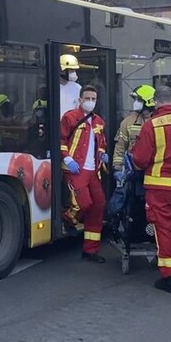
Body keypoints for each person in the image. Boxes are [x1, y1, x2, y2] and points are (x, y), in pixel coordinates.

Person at [131, 86, 171, 293]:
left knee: (163, 231)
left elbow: (140, 160)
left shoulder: (151, 125)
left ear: (157, 102)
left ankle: (169, 279)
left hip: (159, 188)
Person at [60, 85, 108, 262]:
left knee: (98, 205)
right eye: (87, 98)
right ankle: (68, 219)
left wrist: (102, 153)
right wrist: (67, 159)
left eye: (93, 99)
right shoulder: (69, 117)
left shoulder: (99, 122)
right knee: (84, 204)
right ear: (80, 100)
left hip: (93, 170)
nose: (90, 102)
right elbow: (61, 139)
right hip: (76, 168)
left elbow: (101, 142)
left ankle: (90, 250)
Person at [112, 84, 155, 180]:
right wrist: (117, 168)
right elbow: (120, 146)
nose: (135, 103)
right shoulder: (128, 122)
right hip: (132, 171)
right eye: (135, 100)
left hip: (153, 171)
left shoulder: (158, 121)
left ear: (147, 102)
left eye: (139, 100)